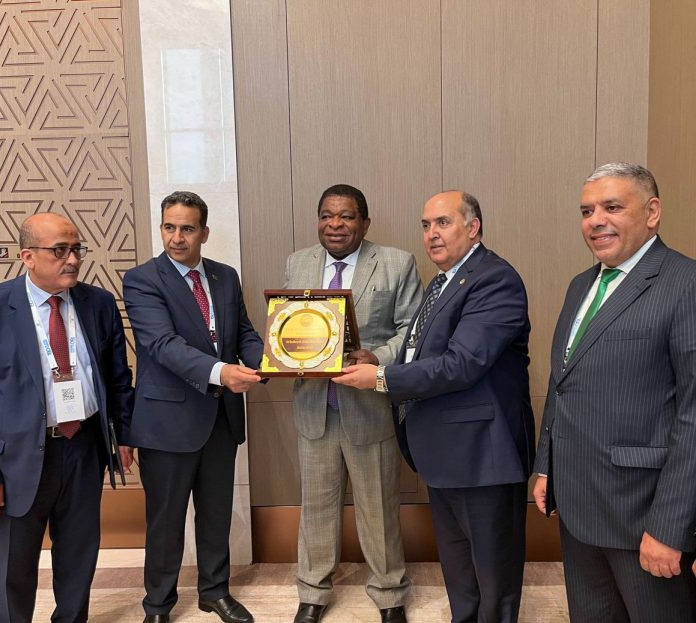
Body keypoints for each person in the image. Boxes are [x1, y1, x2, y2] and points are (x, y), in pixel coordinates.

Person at [335, 190, 534, 623]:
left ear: (473, 227)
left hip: (483, 455)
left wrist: (381, 379)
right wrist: (379, 363)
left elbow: (463, 364)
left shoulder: (494, 280)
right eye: (426, 225)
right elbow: (420, 354)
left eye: (443, 223)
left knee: (493, 576)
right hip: (444, 453)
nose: (431, 234)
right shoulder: (444, 281)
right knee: (460, 571)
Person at [0, 213, 134, 622]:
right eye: (60, 250)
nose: (73, 260)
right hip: (15, 458)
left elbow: (118, 378)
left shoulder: (98, 303)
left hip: (83, 446)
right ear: (27, 256)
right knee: (13, 568)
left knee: (79, 555)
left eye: (77, 249)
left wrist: (122, 436)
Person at [531, 163, 696, 621]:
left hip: (642, 517)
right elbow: (562, 383)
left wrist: (670, 527)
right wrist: (547, 466)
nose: (595, 221)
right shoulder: (580, 286)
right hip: (577, 508)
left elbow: (693, 415)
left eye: (612, 207)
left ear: (652, 212)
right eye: (587, 211)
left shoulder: (685, 283)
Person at [123, 191, 264, 623]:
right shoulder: (143, 280)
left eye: (187, 228)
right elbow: (162, 345)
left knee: (216, 512)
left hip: (220, 418)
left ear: (204, 232)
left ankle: (214, 591)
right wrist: (222, 372)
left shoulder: (225, 276)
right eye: (169, 227)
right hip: (167, 421)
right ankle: (158, 604)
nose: (176, 237)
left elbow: (243, 333)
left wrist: (275, 362)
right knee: (165, 520)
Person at [285, 184, 422, 623]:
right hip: (315, 408)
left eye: (346, 216)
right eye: (327, 216)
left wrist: (377, 357)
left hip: (369, 409)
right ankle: (312, 592)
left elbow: (413, 330)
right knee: (316, 508)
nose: (335, 225)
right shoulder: (298, 263)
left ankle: (389, 594)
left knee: (378, 509)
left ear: (364, 222)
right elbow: (288, 327)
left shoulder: (397, 262)